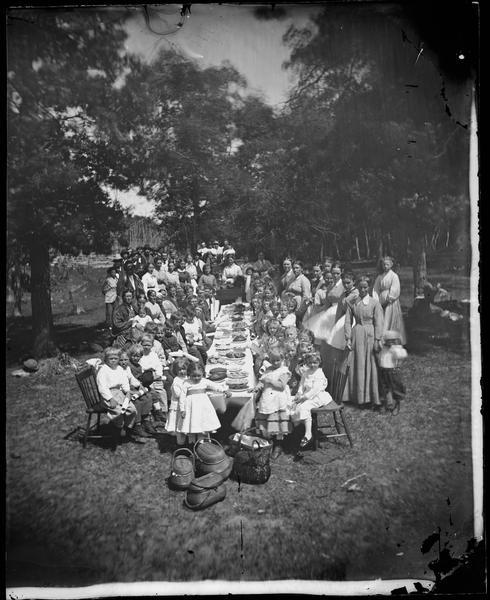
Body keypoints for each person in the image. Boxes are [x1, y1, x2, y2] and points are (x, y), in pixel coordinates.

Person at [344, 276, 384, 408]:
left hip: (370, 335)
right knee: (358, 364)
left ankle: (370, 396)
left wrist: (377, 339)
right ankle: (357, 396)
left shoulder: (374, 303)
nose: (362, 290)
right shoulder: (353, 302)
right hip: (357, 334)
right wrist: (348, 337)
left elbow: (379, 322)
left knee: (370, 364)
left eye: (365, 287)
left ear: (369, 287)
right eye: (360, 287)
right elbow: (348, 321)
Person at [177, 362, 231, 445]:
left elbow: (215, 386)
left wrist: (224, 390)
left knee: (203, 423)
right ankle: (192, 444)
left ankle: (203, 444)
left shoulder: (204, 381)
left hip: (203, 407)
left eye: (199, 376)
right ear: (189, 374)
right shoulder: (186, 383)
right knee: (191, 423)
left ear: (203, 374)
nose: (196, 378)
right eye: (193, 376)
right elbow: (182, 397)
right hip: (191, 408)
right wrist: (182, 409)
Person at [253, 349, 292, 460]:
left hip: (278, 398)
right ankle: (268, 441)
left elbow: (281, 385)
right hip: (267, 397)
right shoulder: (268, 369)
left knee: (277, 421)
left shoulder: (284, 371)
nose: (275, 363)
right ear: (269, 360)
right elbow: (262, 380)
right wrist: (258, 386)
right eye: (273, 360)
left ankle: (278, 444)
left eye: (278, 360)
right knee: (266, 419)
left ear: (282, 359)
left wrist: (269, 381)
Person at [290, 351, 333, 448]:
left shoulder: (319, 374)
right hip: (306, 395)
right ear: (306, 363)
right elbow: (301, 383)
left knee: (304, 407)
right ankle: (297, 428)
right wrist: (299, 393)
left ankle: (308, 434)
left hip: (317, 397)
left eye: (315, 363)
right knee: (291, 403)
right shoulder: (306, 372)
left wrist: (303, 398)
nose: (312, 365)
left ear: (319, 363)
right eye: (310, 363)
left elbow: (315, 390)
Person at [95, 347, 137, 439]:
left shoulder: (119, 369)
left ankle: (127, 427)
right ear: (106, 359)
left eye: (115, 358)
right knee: (118, 411)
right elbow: (102, 387)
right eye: (111, 358)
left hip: (119, 393)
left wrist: (127, 391)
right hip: (108, 395)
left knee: (132, 409)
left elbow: (125, 381)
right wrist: (110, 399)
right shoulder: (103, 370)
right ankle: (118, 427)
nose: (113, 360)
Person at [119, 350, 158, 437]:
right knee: (137, 402)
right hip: (122, 392)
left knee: (148, 398)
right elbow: (120, 385)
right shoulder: (118, 370)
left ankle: (146, 421)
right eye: (121, 360)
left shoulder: (127, 368)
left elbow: (132, 379)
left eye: (126, 360)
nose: (124, 362)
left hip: (131, 388)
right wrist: (132, 390)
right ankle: (137, 425)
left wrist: (139, 385)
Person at [127, 343, 167, 424]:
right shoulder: (129, 366)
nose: (135, 358)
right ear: (130, 356)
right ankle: (142, 421)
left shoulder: (139, 366)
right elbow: (131, 378)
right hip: (133, 386)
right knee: (147, 397)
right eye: (133, 356)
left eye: (137, 356)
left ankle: (158, 412)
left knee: (154, 394)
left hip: (141, 385)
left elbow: (141, 374)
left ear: (141, 357)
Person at [373, 256, 407, 345]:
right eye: (384, 264)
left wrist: (389, 299)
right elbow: (376, 289)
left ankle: (393, 339)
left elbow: (395, 289)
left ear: (391, 265)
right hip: (381, 302)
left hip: (391, 303)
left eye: (387, 264)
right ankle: (382, 339)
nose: (385, 266)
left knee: (390, 320)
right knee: (382, 320)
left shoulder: (394, 276)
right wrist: (377, 301)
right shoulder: (380, 277)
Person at [377, 329, 407, 413]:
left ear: (396, 341)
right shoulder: (383, 347)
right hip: (383, 370)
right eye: (388, 341)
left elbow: (402, 355)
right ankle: (388, 404)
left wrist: (396, 348)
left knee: (395, 387)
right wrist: (382, 340)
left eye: (392, 341)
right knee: (385, 388)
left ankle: (397, 403)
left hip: (392, 371)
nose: (390, 343)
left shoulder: (395, 348)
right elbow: (379, 345)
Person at [139, 334, 168, 415]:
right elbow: (140, 367)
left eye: (149, 345)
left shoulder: (154, 355)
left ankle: (163, 411)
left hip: (155, 376)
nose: (146, 347)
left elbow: (159, 366)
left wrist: (158, 374)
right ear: (141, 344)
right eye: (144, 345)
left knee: (161, 392)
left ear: (152, 345)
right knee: (150, 393)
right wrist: (148, 370)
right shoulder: (140, 355)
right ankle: (151, 413)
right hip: (146, 378)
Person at [165, 358, 188, 445]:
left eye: (184, 369)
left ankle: (187, 439)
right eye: (179, 370)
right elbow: (178, 395)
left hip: (185, 405)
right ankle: (180, 443)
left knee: (185, 423)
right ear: (175, 370)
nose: (182, 371)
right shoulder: (176, 381)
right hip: (177, 406)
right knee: (179, 424)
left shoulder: (187, 378)